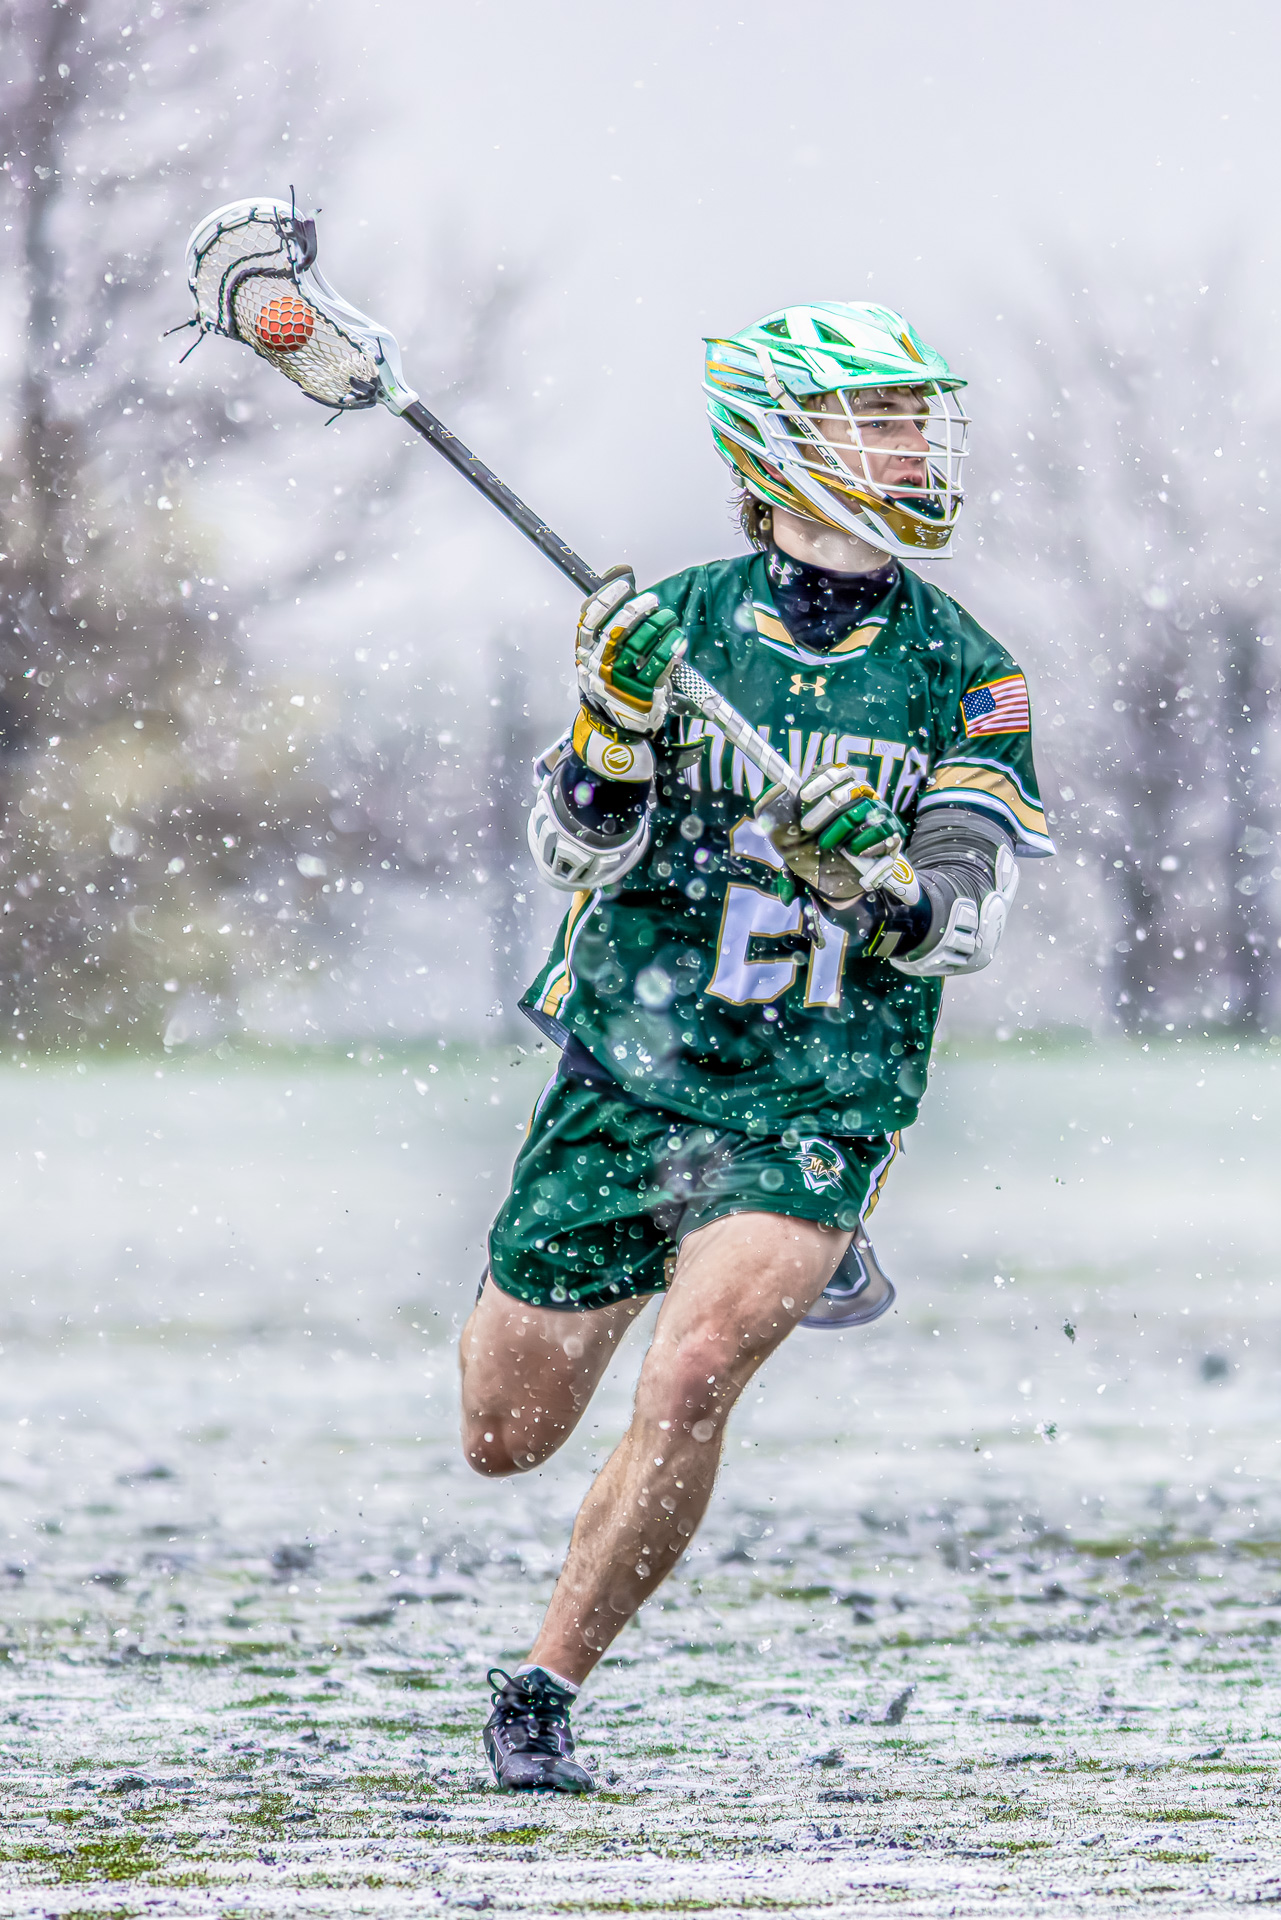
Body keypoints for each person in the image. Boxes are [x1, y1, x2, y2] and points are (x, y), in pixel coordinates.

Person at [458, 303, 1053, 1792]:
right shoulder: (671, 624)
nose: (915, 443)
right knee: (505, 1434)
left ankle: (544, 1686)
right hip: (631, 1060)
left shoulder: (965, 671)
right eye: (882, 416)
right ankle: (675, 1237)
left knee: (698, 1369)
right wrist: (609, 720)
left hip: (824, 1083)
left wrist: (890, 882)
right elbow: (574, 847)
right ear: (781, 441)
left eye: (919, 414)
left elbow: (959, 920)